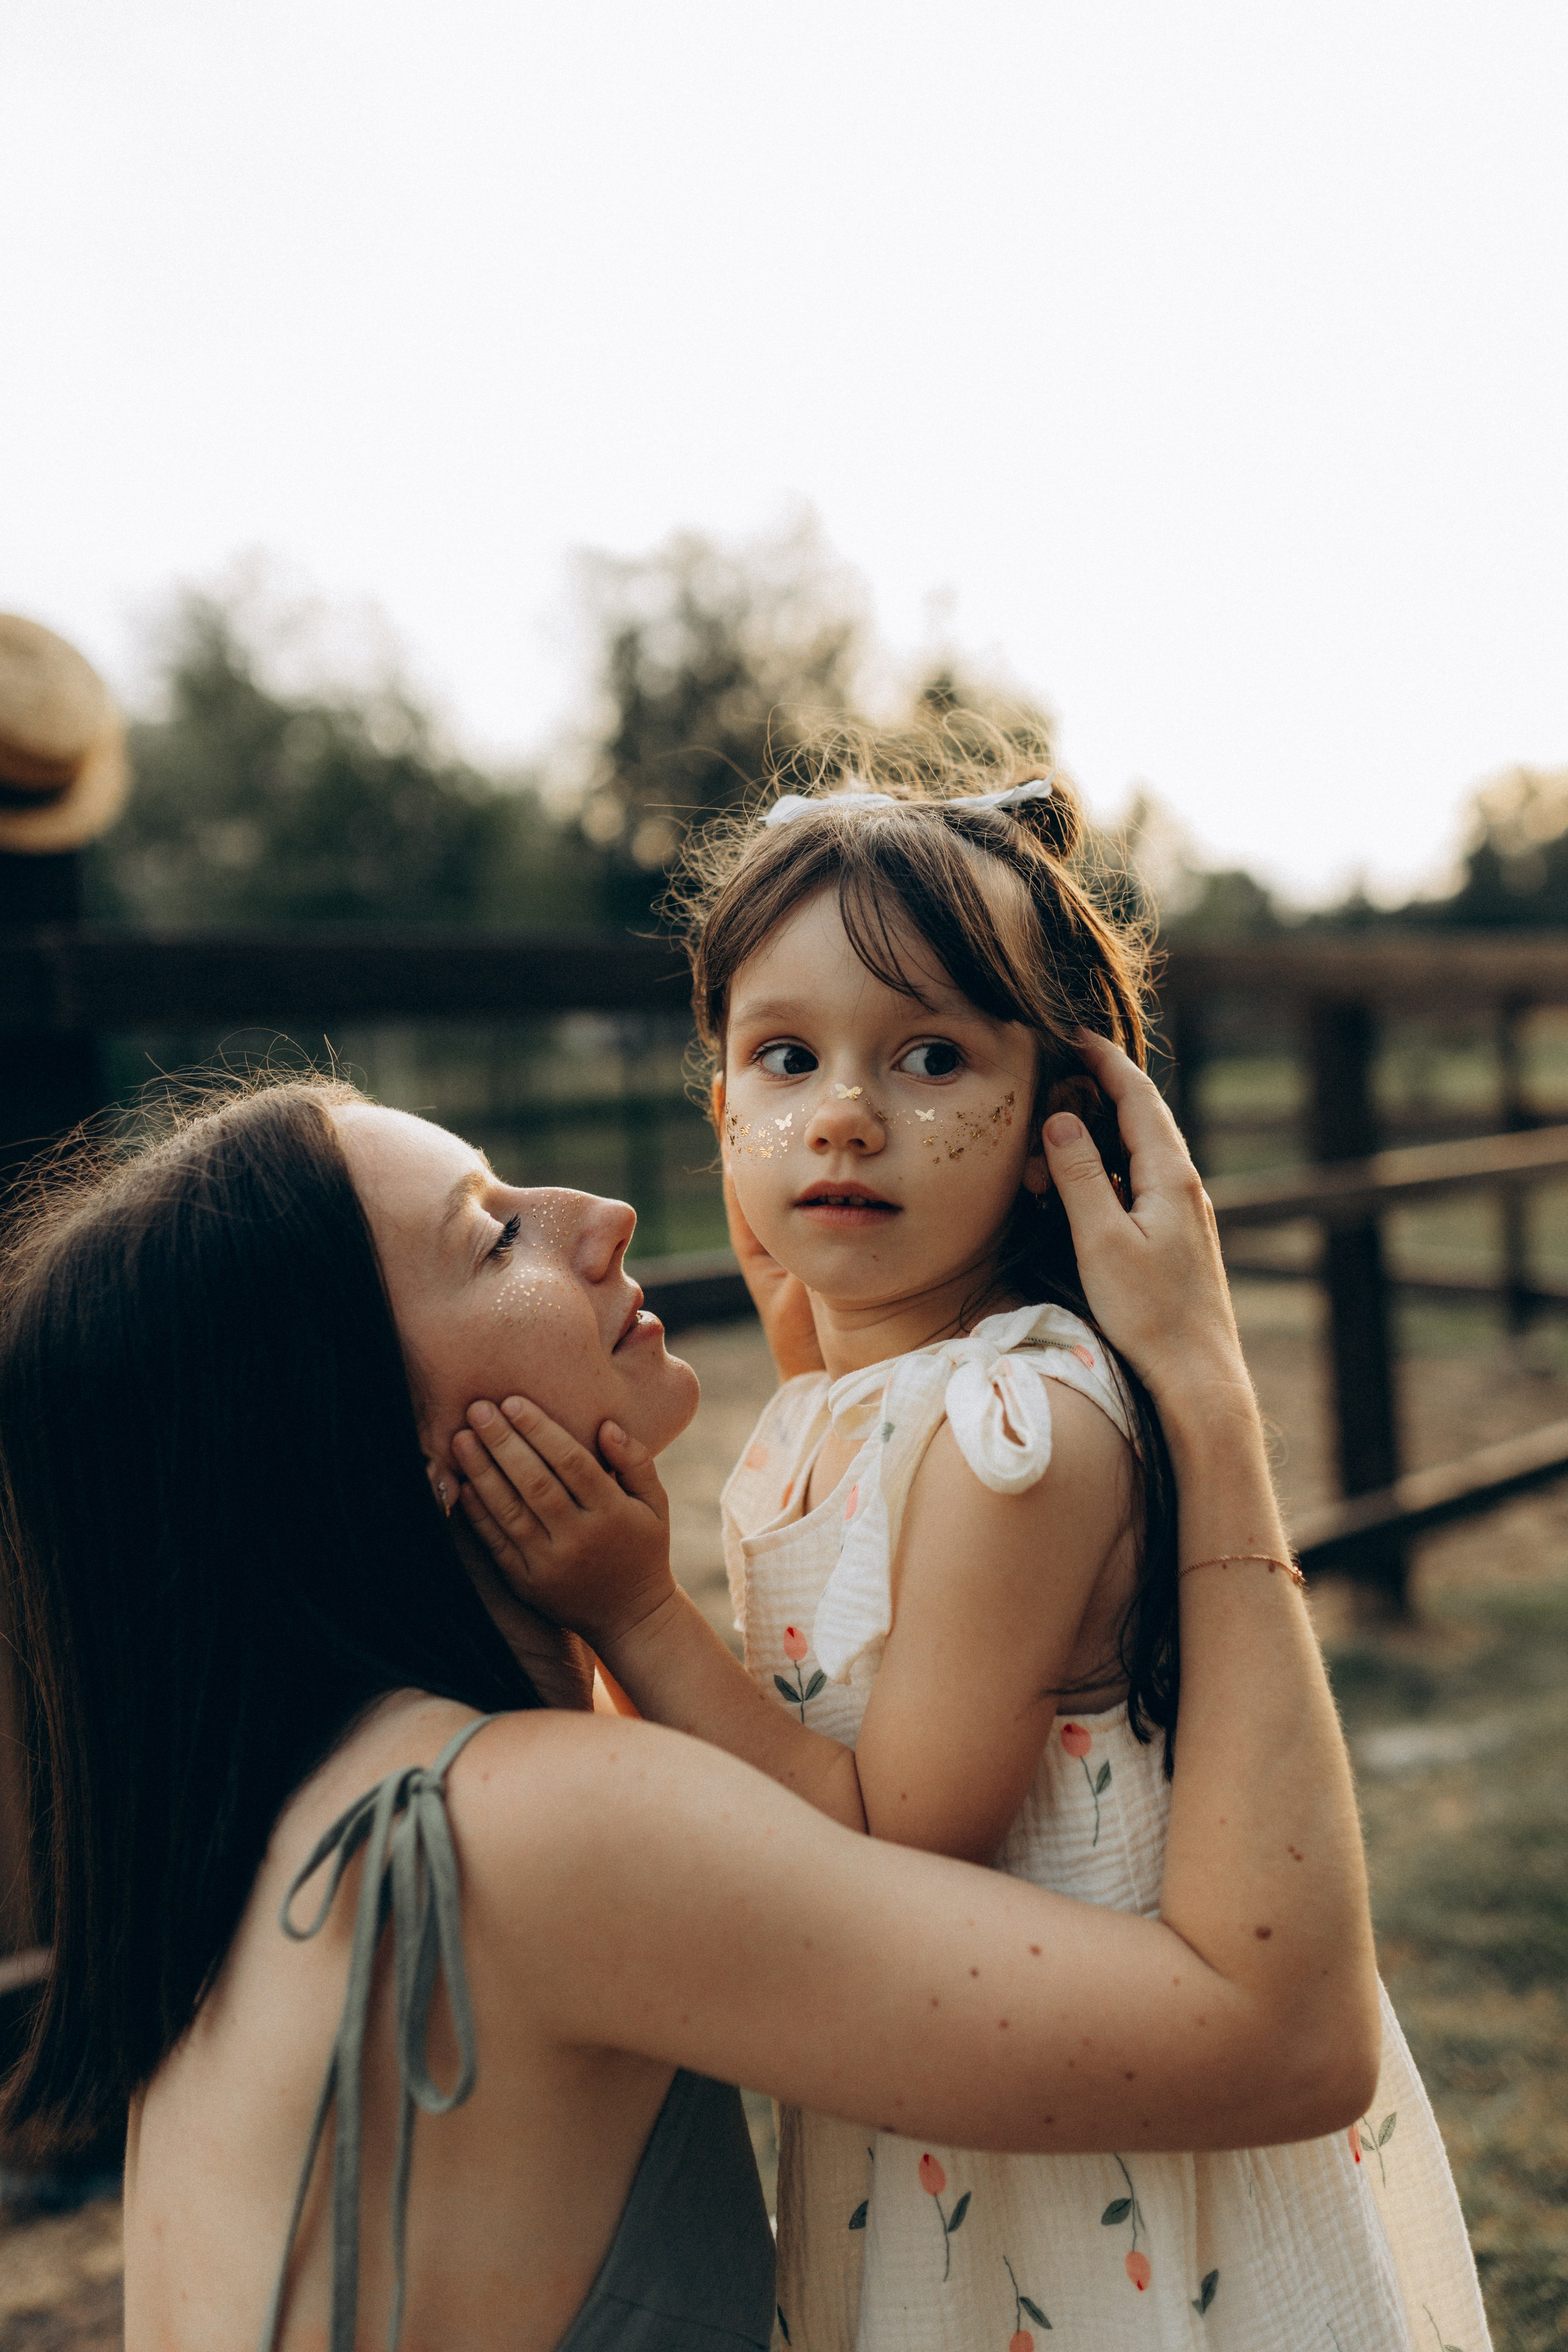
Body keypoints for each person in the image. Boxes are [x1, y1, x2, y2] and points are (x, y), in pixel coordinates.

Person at [1, 1059, 1379, 2352]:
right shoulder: (530, 1832)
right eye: (494, 1237)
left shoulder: (307, 1814)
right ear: (363, 1441)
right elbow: (1287, 2043)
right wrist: (1201, 1394)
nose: (598, 1217)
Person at [458, 745, 1489, 2352]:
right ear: (720, 1107)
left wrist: (632, 1611)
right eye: (786, 1061)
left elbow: (890, 1832)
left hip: (1077, 2145)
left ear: (1057, 1125)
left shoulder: (1021, 1428)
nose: (846, 1117)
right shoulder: (847, 1402)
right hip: (963, 2075)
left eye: (931, 1056)